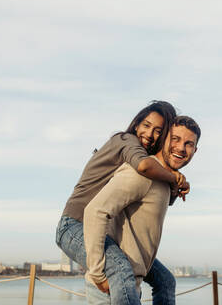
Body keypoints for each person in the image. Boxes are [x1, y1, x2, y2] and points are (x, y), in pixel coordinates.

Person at [56, 101, 190, 305]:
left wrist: (175, 182)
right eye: (146, 125)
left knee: (164, 280)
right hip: (74, 224)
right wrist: (174, 177)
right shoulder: (126, 140)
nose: (150, 133)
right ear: (136, 124)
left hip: (98, 228)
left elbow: (160, 198)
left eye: (158, 131)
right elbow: (145, 167)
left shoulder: (147, 160)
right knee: (120, 268)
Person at [83, 116, 201, 305]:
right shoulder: (141, 174)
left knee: (167, 281)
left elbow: (152, 204)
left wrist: (178, 184)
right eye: (176, 139)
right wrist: (97, 274)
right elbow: (94, 212)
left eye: (188, 144)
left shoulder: (163, 178)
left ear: (195, 150)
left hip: (129, 285)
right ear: (164, 139)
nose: (181, 148)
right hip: (111, 288)